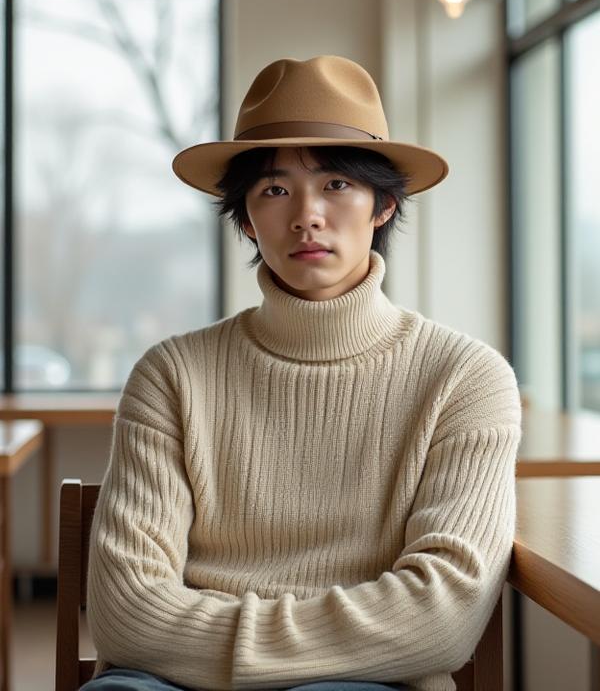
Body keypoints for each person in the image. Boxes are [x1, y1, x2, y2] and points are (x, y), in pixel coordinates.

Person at [80, 55, 522, 691]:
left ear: (384, 204)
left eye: (337, 183)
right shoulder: (172, 375)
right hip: (171, 681)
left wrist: (226, 648)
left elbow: (441, 617)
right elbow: (126, 615)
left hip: (369, 682)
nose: (307, 215)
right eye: (275, 190)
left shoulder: (465, 378)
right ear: (245, 218)